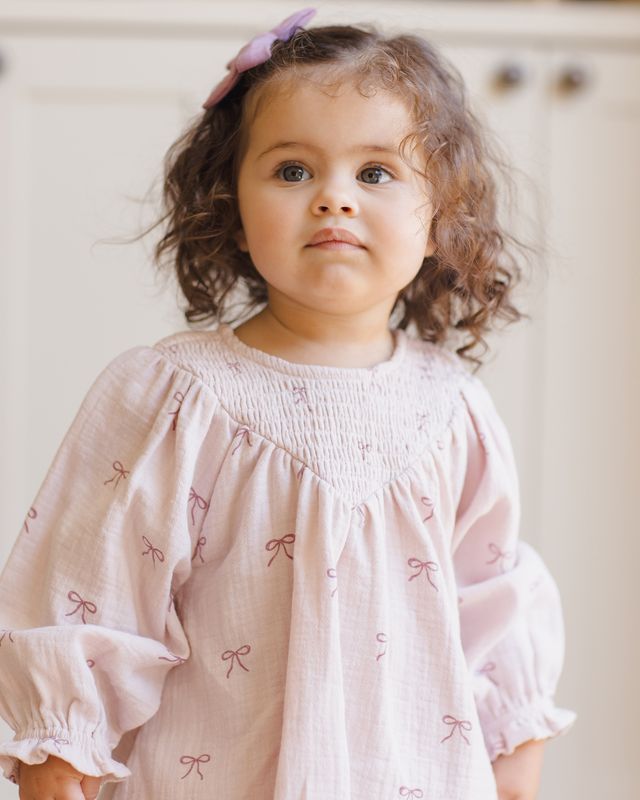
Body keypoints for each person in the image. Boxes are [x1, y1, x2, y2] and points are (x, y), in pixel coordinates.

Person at [0, 7, 577, 799]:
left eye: (375, 173)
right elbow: (91, 598)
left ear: (440, 218)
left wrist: (513, 757)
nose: (333, 198)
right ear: (231, 214)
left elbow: (492, 602)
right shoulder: (175, 397)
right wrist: (58, 758)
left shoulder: (454, 409)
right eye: (293, 170)